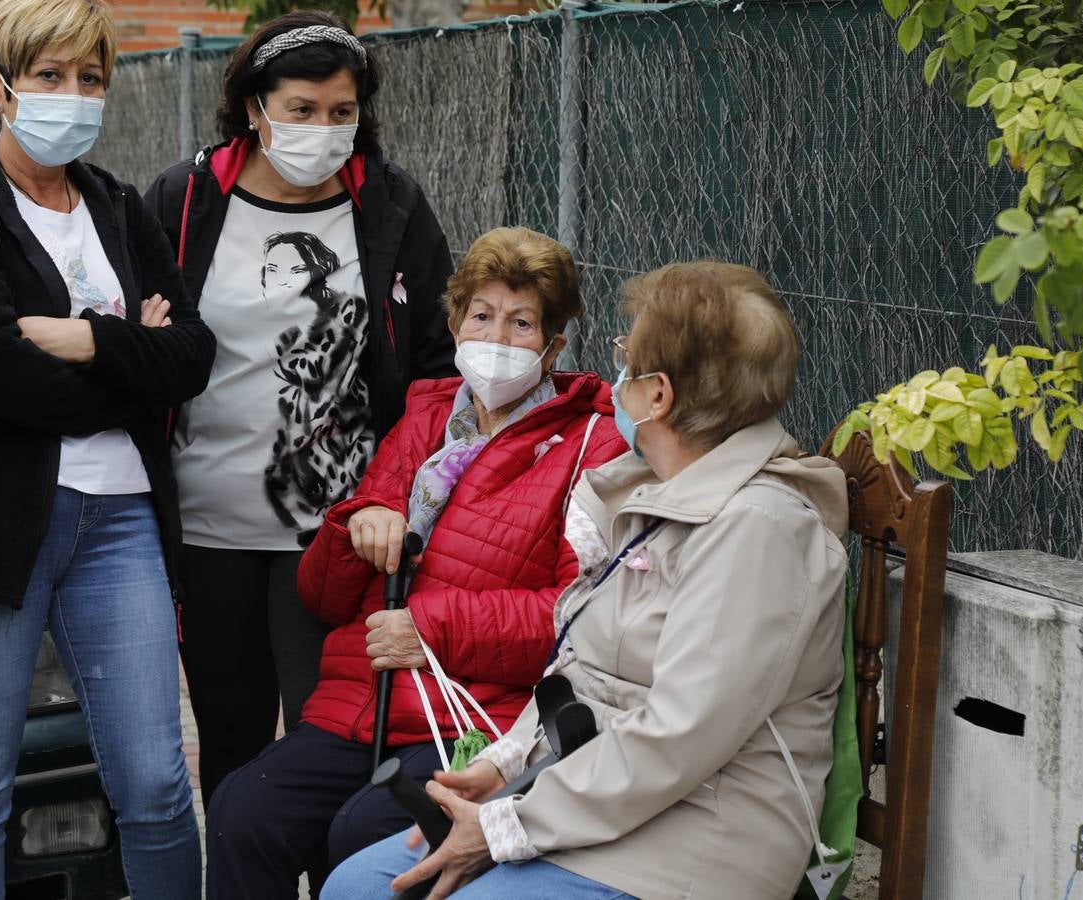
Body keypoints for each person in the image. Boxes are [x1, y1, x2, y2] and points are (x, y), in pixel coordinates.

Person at [324, 261, 850, 900]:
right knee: (355, 887)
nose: (616, 372)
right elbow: (578, 671)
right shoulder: (657, 494)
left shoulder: (760, 529)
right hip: (594, 806)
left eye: (628, 354)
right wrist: (502, 767)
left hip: (694, 841)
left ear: (657, 396)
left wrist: (509, 826)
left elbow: (678, 740)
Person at [0, 1, 215, 896]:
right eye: (52, 77)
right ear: (0, 87)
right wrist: (127, 358)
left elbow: (192, 355)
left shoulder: (114, 204)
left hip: (118, 524)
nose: (75, 96)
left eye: (90, 79)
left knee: (153, 781)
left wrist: (84, 340)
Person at [206, 227, 627, 900]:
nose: (496, 337)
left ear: (553, 345)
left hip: (477, 721)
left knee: (369, 834)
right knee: (242, 812)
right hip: (359, 703)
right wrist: (352, 531)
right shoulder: (427, 417)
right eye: (482, 316)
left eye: (521, 323)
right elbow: (322, 597)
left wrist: (431, 628)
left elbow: (579, 616)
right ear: (455, 322)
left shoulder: (589, 442)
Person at [144, 9, 457, 803]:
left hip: (338, 537)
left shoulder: (392, 208)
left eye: (341, 113)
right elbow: (146, 342)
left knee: (331, 744)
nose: (323, 129)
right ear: (255, 108)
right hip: (209, 530)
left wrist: (390, 497)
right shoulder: (185, 201)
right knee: (232, 740)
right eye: (303, 111)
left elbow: (433, 370)